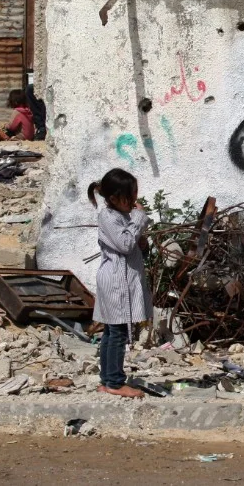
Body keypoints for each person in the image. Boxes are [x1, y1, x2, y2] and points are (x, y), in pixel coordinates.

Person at [88, 168, 151, 399]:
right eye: (130, 198)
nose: (134, 203)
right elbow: (124, 244)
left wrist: (142, 242)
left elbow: (131, 245)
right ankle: (115, 382)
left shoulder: (121, 216)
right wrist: (138, 219)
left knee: (111, 332)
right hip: (116, 281)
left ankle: (107, 380)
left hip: (120, 279)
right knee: (117, 333)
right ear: (114, 198)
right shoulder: (108, 216)